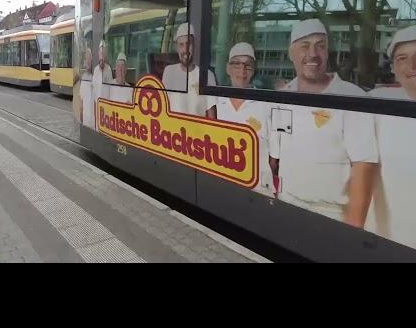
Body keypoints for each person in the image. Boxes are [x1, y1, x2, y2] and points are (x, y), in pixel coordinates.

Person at [268, 18, 379, 227]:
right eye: (304, 46)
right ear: (291, 54)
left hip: (333, 216)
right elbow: (275, 158)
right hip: (287, 205)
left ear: (328, 52)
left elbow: (364, 165)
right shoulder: (282, 96)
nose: (313, 54)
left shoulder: (351, 96)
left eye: (320, 46)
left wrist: (351, 233)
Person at [369, 24, 416, 257]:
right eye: (402, 58)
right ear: (395, 70)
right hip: (382, 242)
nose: (413, 67)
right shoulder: (373, 103)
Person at [206, 42, 274, 195]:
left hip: (256, 189)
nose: (242, 71)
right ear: (228, 69)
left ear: (253, 70)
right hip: (224, 184)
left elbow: (274, 156)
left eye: (247, 65)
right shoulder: (218, 101)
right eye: (236, 64)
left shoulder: (266, 104)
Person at [162, 22, 217, 116]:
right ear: (177, 48)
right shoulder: (169, 72)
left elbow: (212, 116)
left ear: (194, 46)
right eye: (181, 45)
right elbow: (162, 107)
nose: (185, 50)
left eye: (188, 44)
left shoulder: (207, 75)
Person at [92, 39, 114, 105]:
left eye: (103, 53)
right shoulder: (95, 70)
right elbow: (93, 88)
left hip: (106, 104)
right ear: (99, 54)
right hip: (97, 103)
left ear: (105, 55)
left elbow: (111, 88)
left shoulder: (108, 69)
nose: (102, 56)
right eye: (101, 53)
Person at [79, 47, 95, 129]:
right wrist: (81, 119)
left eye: (89, 58)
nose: (87, 61)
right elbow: (81, 101)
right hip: (85, 121)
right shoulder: (84, 77)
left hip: (94, 122)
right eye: (86, 59)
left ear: (92, 60)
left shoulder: (96, 76)